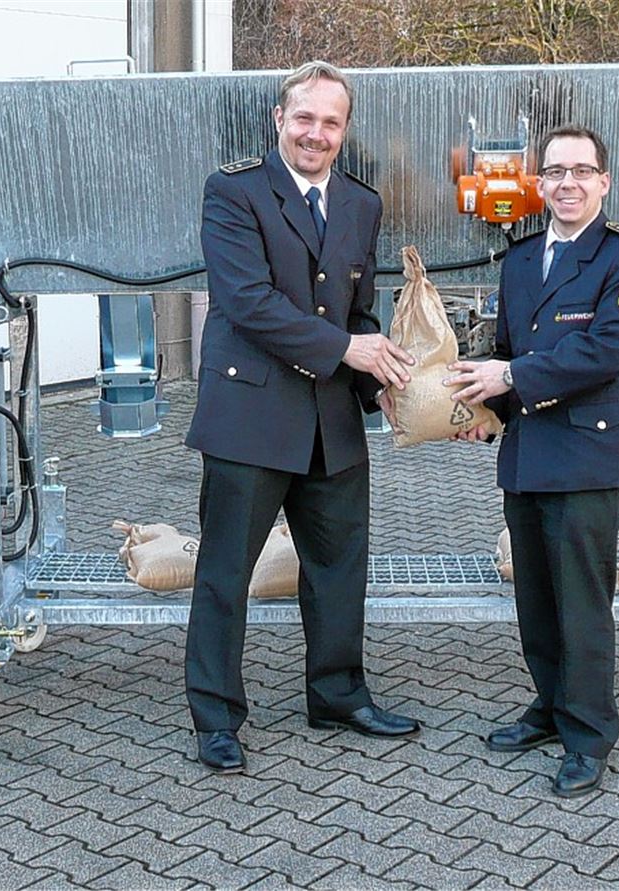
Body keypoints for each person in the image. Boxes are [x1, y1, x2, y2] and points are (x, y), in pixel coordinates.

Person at [184, 61, 420, 774]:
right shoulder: (234, 191)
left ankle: (338, 694)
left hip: (331, 418)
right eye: (305, 118)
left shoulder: (360, 202)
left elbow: (358, 308)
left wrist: (377, 378)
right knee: (227, 571)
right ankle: (217, 717)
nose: (316, 133)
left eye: (331, 122)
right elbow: (249, 302)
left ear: (344, 131)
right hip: (251, 413)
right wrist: (350, 347)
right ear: (279, 120)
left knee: (341, 568)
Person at [444, 124, 619, 798]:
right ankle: (549, 704)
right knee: (536, 599)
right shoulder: (519, 260)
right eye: (556, 171)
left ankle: (590, 731)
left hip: (587, 456)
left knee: (582, 603)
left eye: (581, 171)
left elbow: (605, 353)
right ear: (538, 185)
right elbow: (510, 349)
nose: (568, 182)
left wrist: (508, 379)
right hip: (528, 453)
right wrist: (486, 415)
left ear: (604, 181)